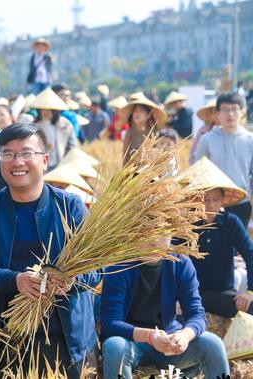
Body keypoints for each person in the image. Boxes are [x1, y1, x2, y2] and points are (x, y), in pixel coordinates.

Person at [0, 123, 99, 378]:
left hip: (65, 339)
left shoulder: (71, 207)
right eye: (8, 154)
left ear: (45, 160)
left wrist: (71, 280)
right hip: (5, 337)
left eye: (27, 153)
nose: (17, 162)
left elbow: (97, 268)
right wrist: (15, 280)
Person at [101, 238, 229, 379]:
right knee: (114, 346)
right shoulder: (120, 265)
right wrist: (149, 336)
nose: (155, 238)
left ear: (172, 231)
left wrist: (184, 335)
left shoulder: (180, 261)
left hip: (169, 341)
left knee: (213, 344)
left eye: (163, 230)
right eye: (150, 230)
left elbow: (197, 314)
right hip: (130, 342)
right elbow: (110, 322)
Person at [182, 158, 253, 318]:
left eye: (215, 199)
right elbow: (172, 260)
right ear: (196, 200)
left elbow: (250, 253)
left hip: (223, 294)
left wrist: (250, 291)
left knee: (249, 306)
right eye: (205, 199)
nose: (210, 204)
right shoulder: (186, 225)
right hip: (191, 294)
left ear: (223, 200)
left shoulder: (230, 222)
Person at [194, 92, 253, 226]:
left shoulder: (250, 140)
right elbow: (198, 172)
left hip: (241, 201)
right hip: (213, 203)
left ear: (242, 112)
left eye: (234, 109)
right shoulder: (207, 139)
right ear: (218, 113)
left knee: (239, 244)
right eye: (225, 109)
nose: (230, 114)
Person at [31, 88, 76, 171]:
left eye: (49, 109)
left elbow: (72, 147)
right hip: (40, 165)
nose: (45, 112)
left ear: (54, 110)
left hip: (59, 164)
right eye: (43, 109)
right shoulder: (33, 126)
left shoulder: (65, 124)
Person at [117, 96, 168, 164]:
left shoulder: (153, 133)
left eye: (140, 111)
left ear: (148, 115)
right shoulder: (130, 132)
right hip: (132, 170)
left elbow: (157, 153)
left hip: (148, 169)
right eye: (135, 111)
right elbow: (125, 155)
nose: (137, 113)